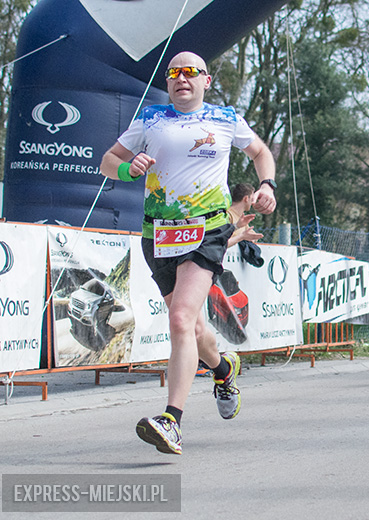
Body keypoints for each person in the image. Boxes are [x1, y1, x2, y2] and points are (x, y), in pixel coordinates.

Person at [100, 51, 277, 454]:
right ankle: (223, 368)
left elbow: (261, 153)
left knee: (179, 319)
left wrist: (267, 185)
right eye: (174, 73)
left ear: (206, 81)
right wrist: (128, 168)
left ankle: (172, 421)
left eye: (191, 72)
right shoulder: (150, 119)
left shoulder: (225, 119)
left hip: (207, 230)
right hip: (159, 234)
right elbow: (108, 161)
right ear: (167, 81)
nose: (182, 78)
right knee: (193, 328)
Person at [227, 183, 264, 248]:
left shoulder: (242, 218)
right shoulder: (227, 215)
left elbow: (252, 235)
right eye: (252, 199)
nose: (253, 202)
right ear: (246, 198)